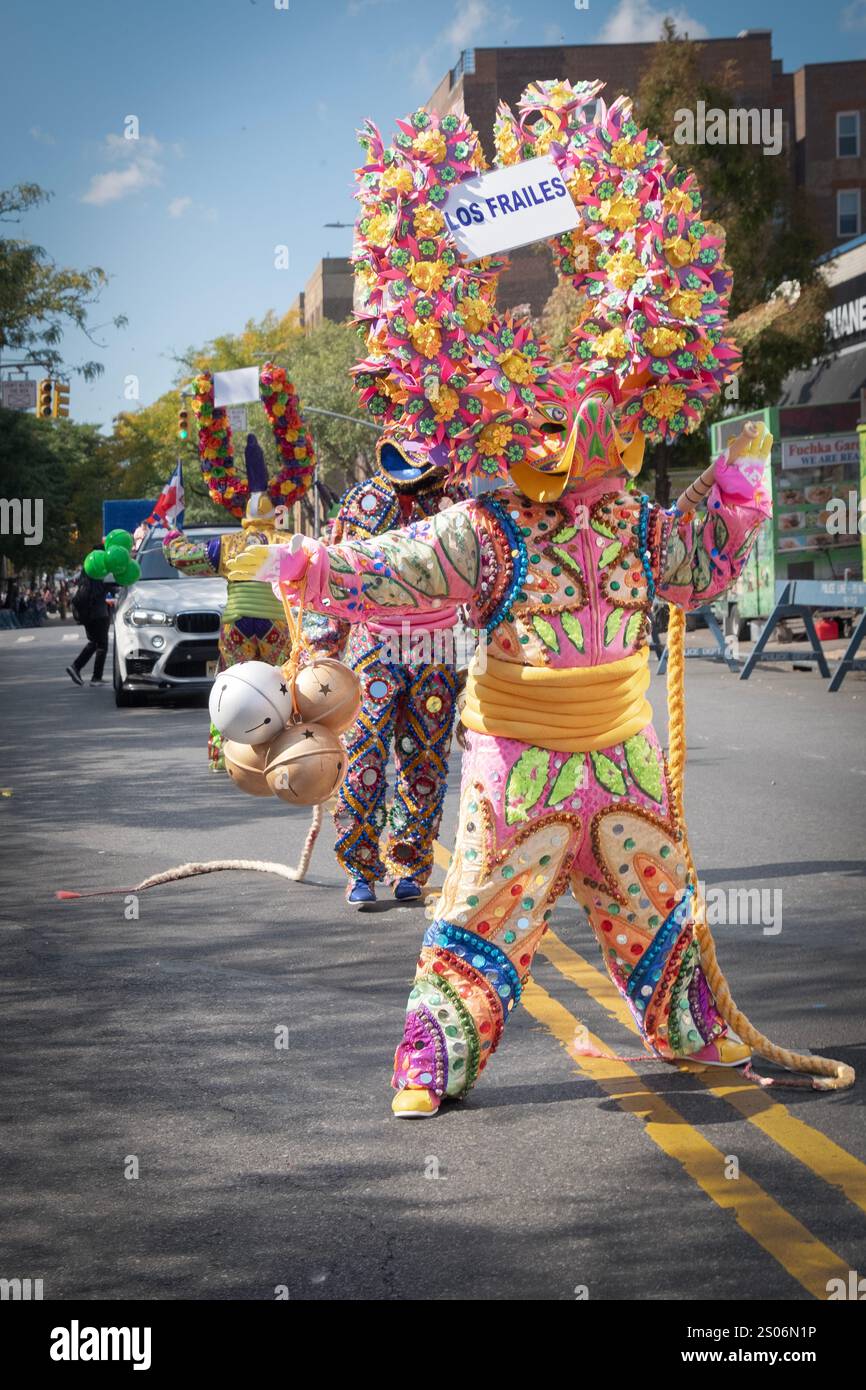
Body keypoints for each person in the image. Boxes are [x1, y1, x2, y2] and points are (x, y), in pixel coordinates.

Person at [306, 435, 467, 906]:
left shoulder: (454, 503)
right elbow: (334, 571)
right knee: (363, 759)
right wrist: (320, 650)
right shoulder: (363, 502)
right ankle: (360, 867)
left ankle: (410, 863)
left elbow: (478, 581)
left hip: (436, 647)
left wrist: (481, 661)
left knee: (425, 762)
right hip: (374, 643)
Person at [164, 370, 314, 770]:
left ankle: (222, 753)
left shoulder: (228, 544)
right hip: (276, 626)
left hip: (235, 626)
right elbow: (316, 569)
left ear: (244, 517)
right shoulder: (287, 541)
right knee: (284, 685)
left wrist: (169, 540)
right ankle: (287, 750)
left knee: (230, 684)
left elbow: (186, 558)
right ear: (274, 515)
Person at [66, 562, 113, 686]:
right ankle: (92, 675)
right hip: (99, 613)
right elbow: (109, 587)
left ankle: (78, 668)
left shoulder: (86, 571)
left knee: (95, 642)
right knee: (101, 644)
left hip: (86, 614)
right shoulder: (102, 571)